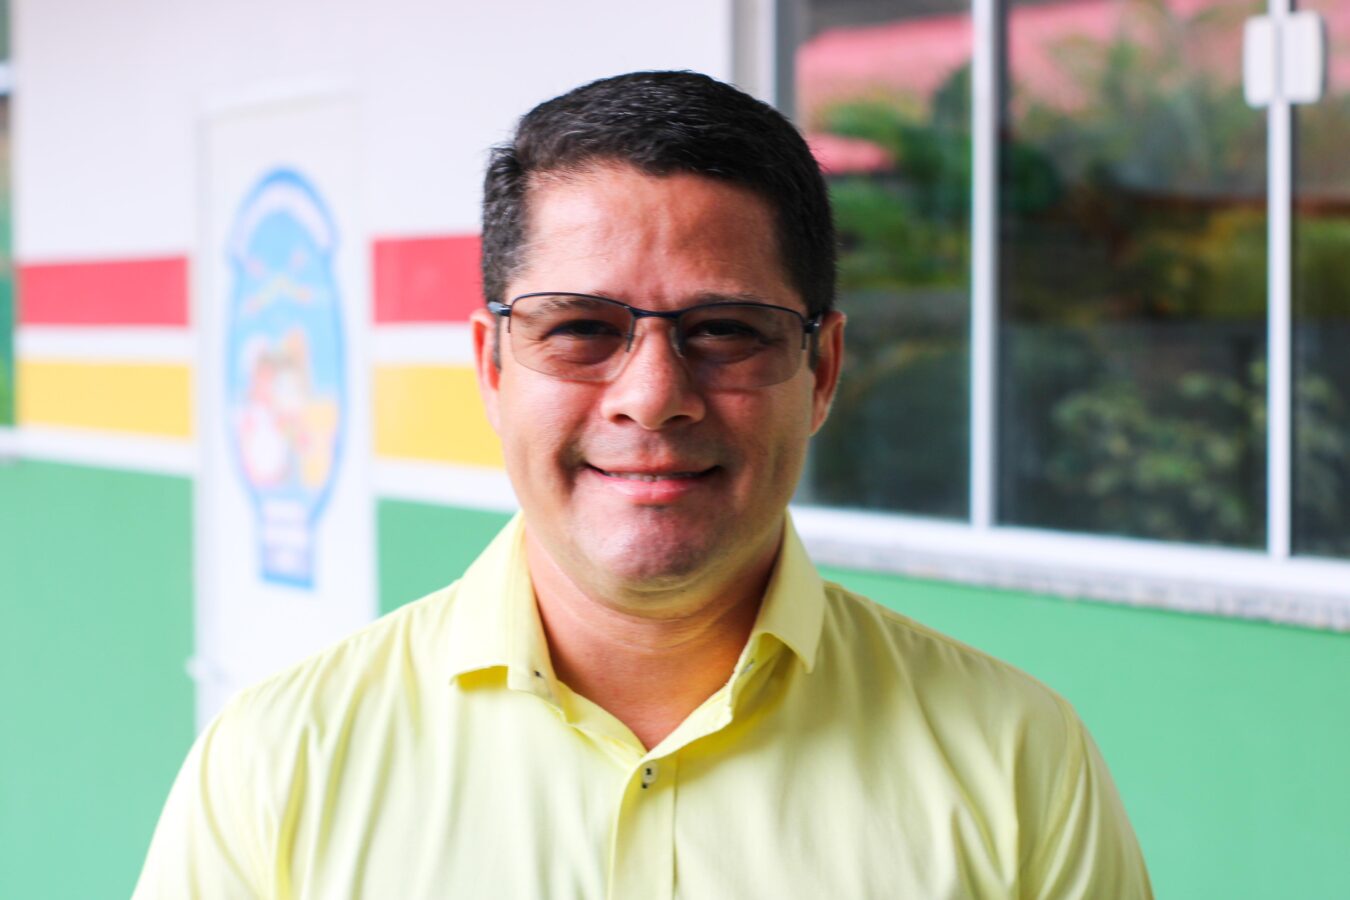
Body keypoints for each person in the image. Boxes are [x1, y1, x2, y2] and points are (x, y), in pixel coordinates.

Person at [135, 71, 1152, 898]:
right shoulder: (279, 767)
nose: (654, 398)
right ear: (492, 366)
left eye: (727, 330)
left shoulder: (1017, 764)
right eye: (582, 328)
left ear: (823, 371)